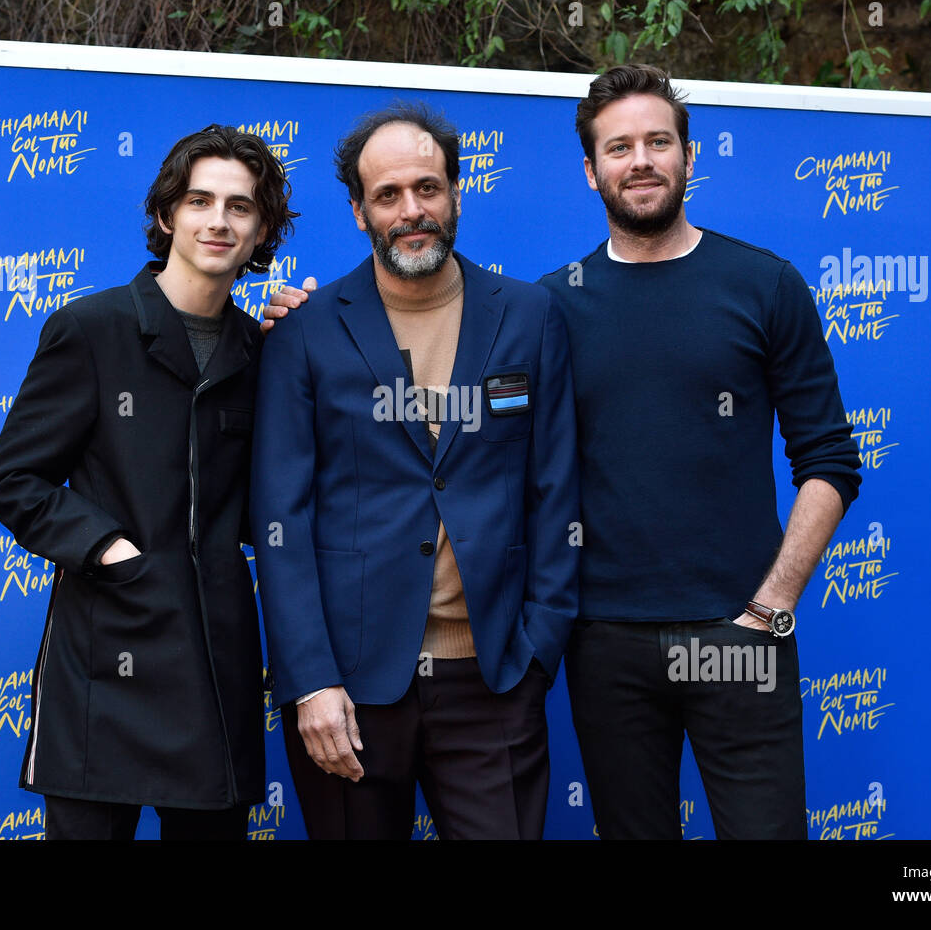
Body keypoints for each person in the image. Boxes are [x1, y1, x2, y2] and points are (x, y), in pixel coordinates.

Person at [264, 66, 861, 840]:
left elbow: (827, 457)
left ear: (688, 153)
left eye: (657, 142)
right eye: (619, 146)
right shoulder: (552, 302)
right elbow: (290, 507)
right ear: (591, 168)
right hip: (599, 646)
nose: (639, 160)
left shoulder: (755, 286)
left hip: (726, 638)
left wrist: (768, 610)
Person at [250, 102, 580, 840]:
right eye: (389, 195)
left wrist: (537, 653)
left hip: (495, 679)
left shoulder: (529, 316)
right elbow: (282, 519)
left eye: (428, 188)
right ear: (359, 212)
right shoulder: (303, 332)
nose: (412, 210)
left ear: (457, 192)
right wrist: (309, 680)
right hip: (349, 690)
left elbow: (556, 490)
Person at [0, 124, 297, 840]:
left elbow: (263, 507)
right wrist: (110, 551)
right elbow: (15, 479)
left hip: (216, 662)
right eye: (199, 200)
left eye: (240, 207)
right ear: (166, 216)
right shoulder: (90, 328)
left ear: (261, 231)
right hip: (104, 659)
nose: (218, 220)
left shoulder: (262, 351)